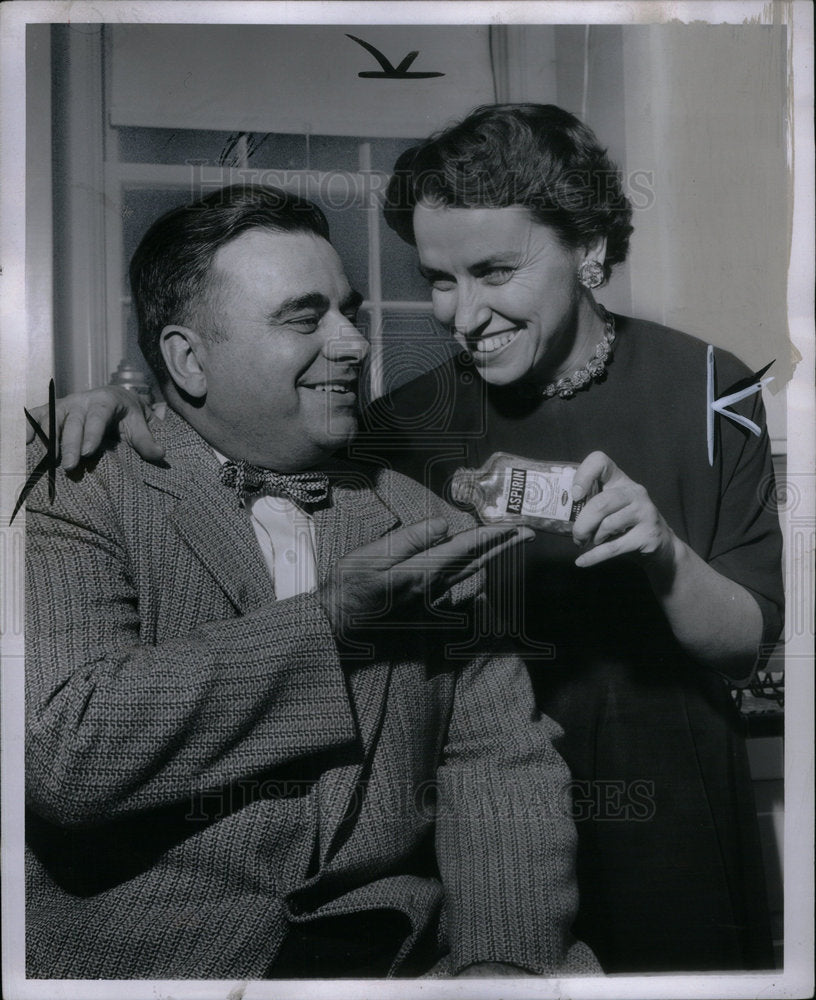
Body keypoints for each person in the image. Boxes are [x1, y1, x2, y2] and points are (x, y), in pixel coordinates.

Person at [32, 104, 784, 973]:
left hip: (659, 784)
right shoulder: (393, 428)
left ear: (588, 250)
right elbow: (239, 432)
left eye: (495, 269)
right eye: (438, 278)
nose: (459, 316)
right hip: (288, 901)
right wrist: (120, 403)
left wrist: (662, 552)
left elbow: (734, 645)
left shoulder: (706, 385)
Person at [23, 184, 600, 980]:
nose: (355, 344)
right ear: (189, 360)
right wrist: (327, 623)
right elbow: (65, 755)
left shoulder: (431, 527)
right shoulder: (77, 493)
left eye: (349, 311)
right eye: (305, 317)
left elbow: (499, 774)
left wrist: (500, 962)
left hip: (392, 962)